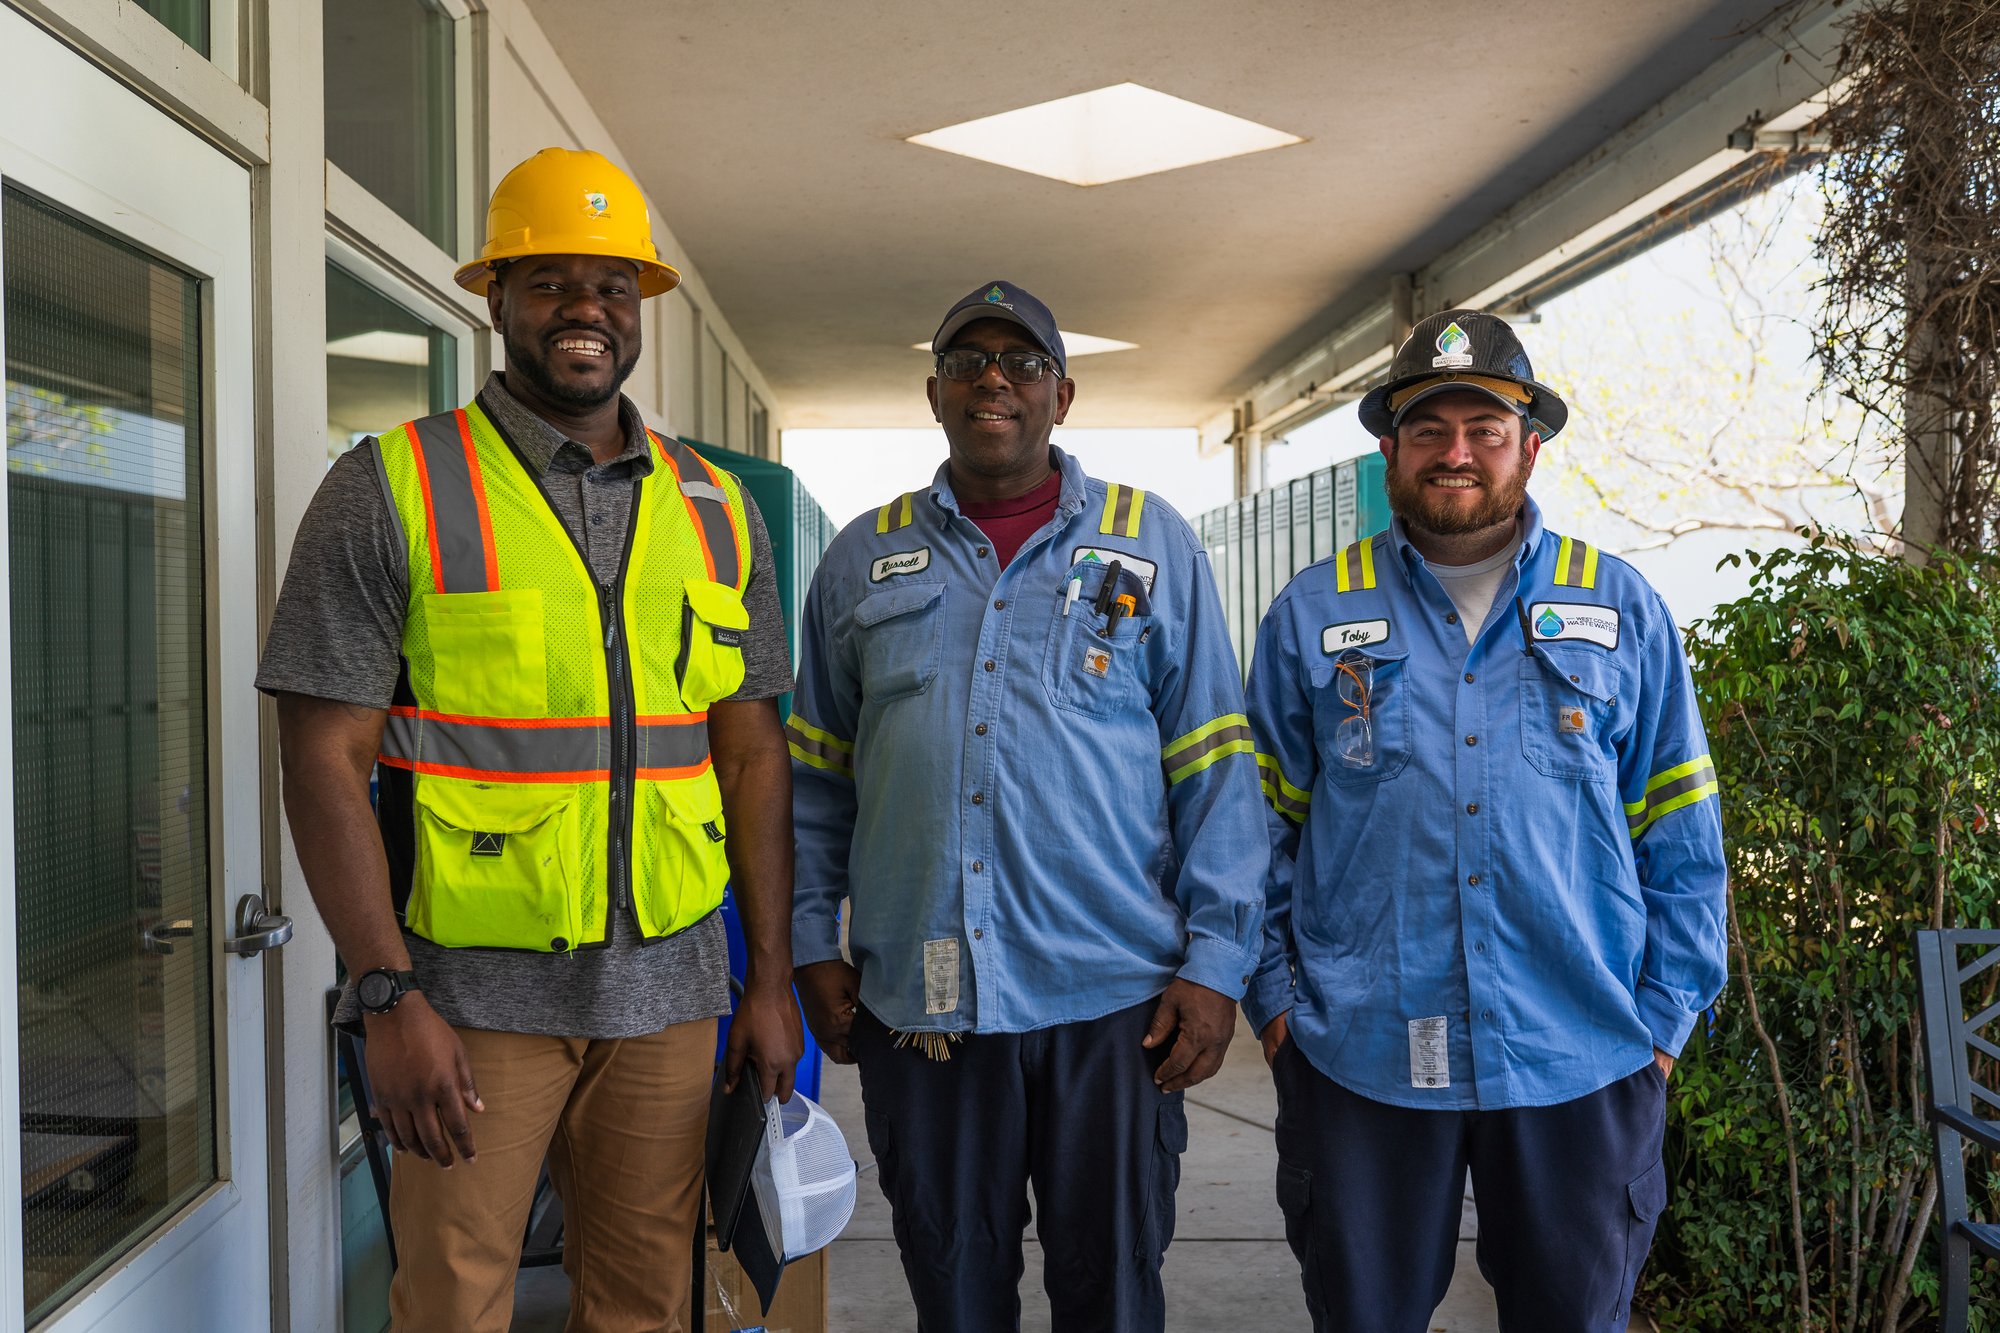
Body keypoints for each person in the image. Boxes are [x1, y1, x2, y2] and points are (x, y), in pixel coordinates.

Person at [258, 147, 801, 1332]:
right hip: (469, 999)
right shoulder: (390, 484)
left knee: (647, 1300)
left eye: (611, 285)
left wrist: (767, 978)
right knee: (453, 1299)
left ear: (640, 306)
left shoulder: (719, 508)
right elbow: (321, 758)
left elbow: (754, 755)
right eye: (550, 281)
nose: (585, 311)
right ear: (494, 297)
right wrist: (386, 992)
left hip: (666, 989)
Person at [786, 280, 1267, 1332]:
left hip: (1112, 1001)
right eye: (966, 362)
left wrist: (1215, 963)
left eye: (1021, 362)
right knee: (954, 1294)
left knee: (1110, 1291)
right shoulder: (863, 556)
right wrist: (808, 941)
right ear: (933, 393)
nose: (992, 379)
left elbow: (1215, 766)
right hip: (924, 999)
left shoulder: (1153, 542)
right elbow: (815, 776)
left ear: (1062, 393)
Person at [1243, 309, 1727, 1332]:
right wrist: (1279, 1006)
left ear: (1528, 446)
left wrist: (1661, 1030)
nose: (1454, 451)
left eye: (1483, 428)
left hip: (1581, 1051)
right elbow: (1257, 833)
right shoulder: (1311, 611)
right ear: (1388, 448)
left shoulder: (1618, 606)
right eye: (1427, 429)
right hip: (1360, 1053)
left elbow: (1681, 835)